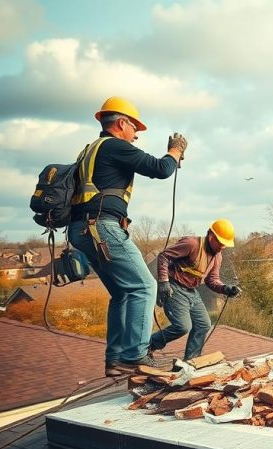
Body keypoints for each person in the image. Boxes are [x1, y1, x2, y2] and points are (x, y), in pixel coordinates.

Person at [67, 96, 188, 377]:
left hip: (82, 229)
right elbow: (160, 169)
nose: (135, 136)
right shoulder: (114, 146)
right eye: (135, 129)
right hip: (103, 227)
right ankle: (136, 356)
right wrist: (175, 151)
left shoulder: (90, 150)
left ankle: (116, 359)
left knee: (122, 293)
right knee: (145, 287)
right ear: (122, 123)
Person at [150, 219, 241, 362]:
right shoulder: (191, 244)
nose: (223, 247)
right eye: (221, 242)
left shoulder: (217, 256)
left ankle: (191, 360)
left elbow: (212, 280)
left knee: (204, 324)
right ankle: (147, 346)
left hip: (191, 291)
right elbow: (163, 256)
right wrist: (163, 281)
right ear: (211, 236)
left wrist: (225, 288)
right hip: (174, 286)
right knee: (182, 326)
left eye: (225, 244)